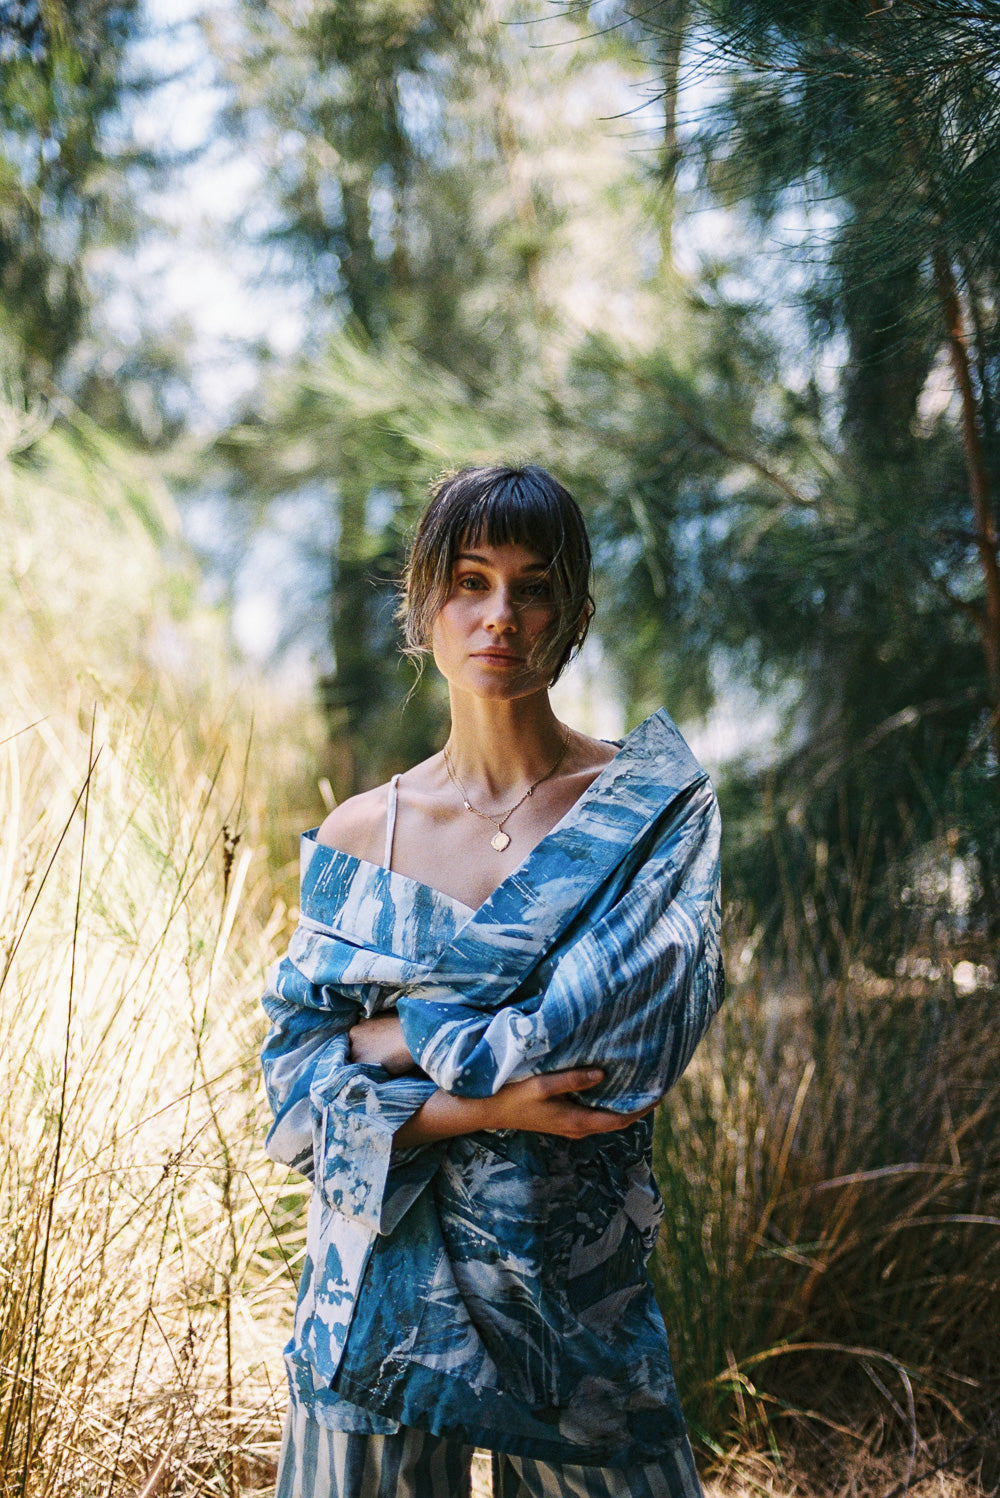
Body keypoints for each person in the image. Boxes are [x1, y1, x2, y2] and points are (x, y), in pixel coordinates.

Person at [260, 464, 724, 1498]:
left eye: (533, 585)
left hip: (576, 1291)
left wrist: (386, 1040)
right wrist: (487, 1106)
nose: (499, 614)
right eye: (469, 581)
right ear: (423, 605)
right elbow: (294, 1103)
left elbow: (621, 1044)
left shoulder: (650, 814)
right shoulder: (361, 838)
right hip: (375, 1296)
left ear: (575, 614)